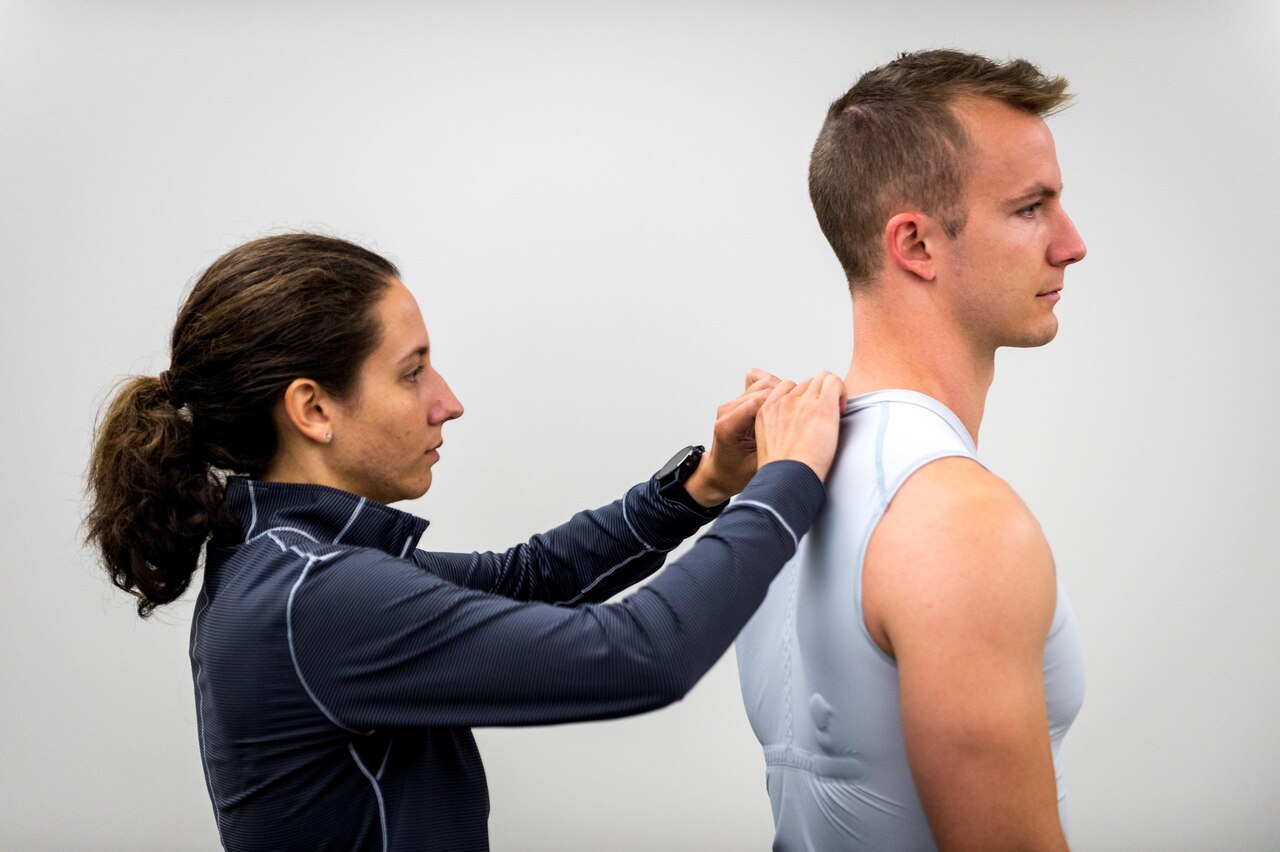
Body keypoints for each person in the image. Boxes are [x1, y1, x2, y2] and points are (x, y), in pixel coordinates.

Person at [85, 233, 846, 852]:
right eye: (412, 373)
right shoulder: (310, 596)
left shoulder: (288, 561)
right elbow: (640, 656)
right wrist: (788, 479)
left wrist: (705, 485)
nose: (447, 401)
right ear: (313, 409)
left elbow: (527, 576)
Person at [736, 50, 1088, 850]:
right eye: (1032, 208)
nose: (1071, 244)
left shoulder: (779, 483)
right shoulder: (958, 522)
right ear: (916, 245)